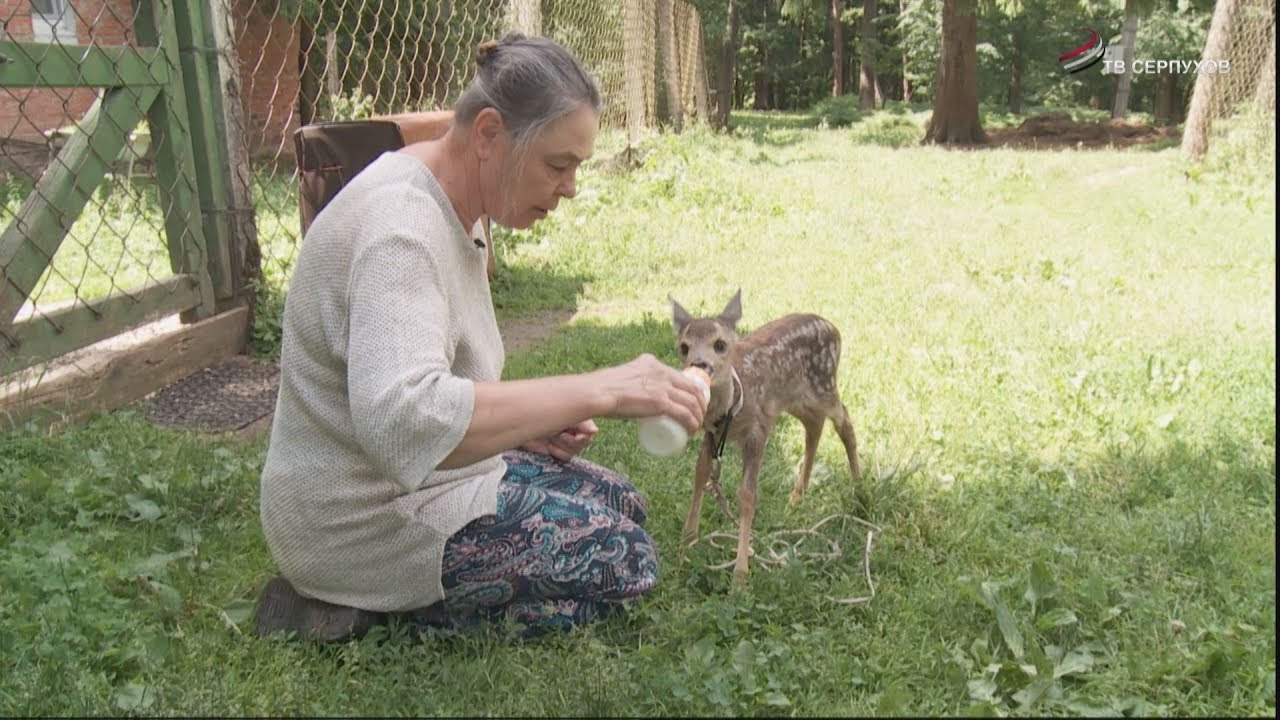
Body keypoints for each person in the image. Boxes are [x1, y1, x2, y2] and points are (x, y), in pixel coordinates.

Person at [253, 33, 707, 641]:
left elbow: (438, 381)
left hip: (417, 479)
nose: (570, 186)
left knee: (624, 504)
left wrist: (534, 421)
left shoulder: (455, 205)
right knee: (622, 558)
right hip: (353, 521)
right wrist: (600, 389)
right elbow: (404, 419)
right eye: (558, 164)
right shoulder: (401, 230)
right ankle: (348, 610)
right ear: (489, 134)